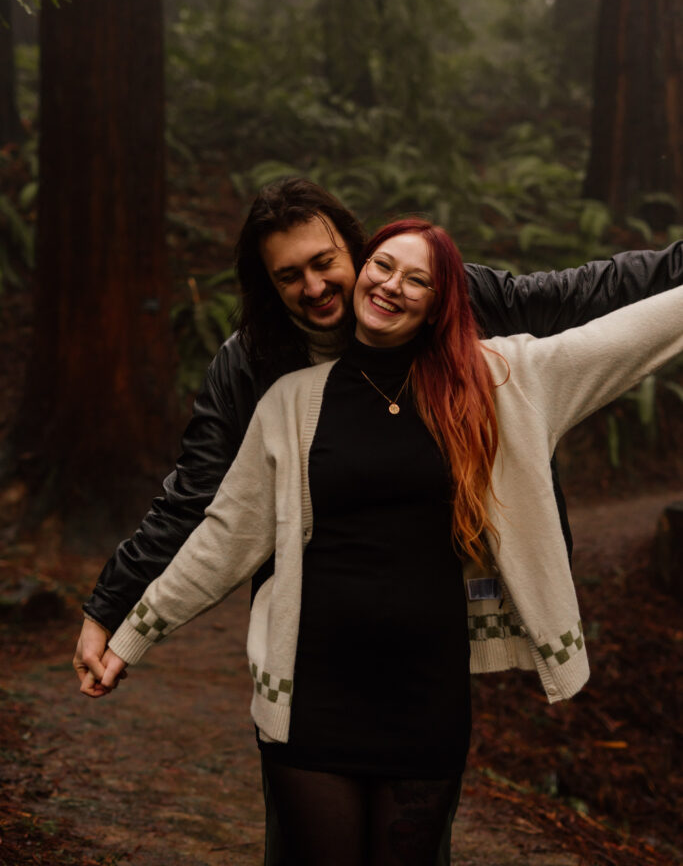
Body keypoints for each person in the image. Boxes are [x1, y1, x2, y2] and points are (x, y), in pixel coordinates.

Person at [74, 177, 683, 865]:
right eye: (289, 275)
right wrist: (119, 621)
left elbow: (607, 320)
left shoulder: (495, 376)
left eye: (325, 262)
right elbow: (215, 526)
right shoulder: (273, 384)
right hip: (312, 685)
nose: (315, 285)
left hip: (425, 690)